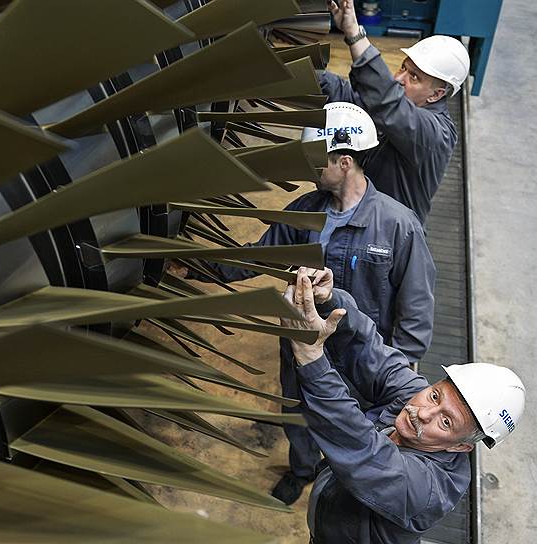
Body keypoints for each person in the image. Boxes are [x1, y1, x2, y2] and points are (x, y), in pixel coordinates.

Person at [173, 101, 436, 504]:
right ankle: (302, 469)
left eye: (316, 161)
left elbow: (416, 307)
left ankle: (340, 484)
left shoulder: (397, 225)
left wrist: (400, 369)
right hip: (302, 344)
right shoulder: (306, 210)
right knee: (298, 413)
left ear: (344, 162)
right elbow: (260, 257)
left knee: (352, 424)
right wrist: (195, 267)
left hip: (361, 356)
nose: (308, 168)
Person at [280, 267, 525, 543]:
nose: (423, 413)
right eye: (435, 396)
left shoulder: (427, 490)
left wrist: (312, 359)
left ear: (460, 446)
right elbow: (370, 353)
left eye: (446, 422)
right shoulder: (416, 395)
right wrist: (329, 301)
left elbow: (363, 450)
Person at [319, 0, 470, 223]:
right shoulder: (400, 107)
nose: (399, 78)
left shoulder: (436, 135)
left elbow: (387, 103)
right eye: (403, 67)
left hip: (389, 235)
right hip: (357, 217)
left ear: (436, 95)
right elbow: (351, 99)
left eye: (414, 77)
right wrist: (297, 71)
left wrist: (354, 34)